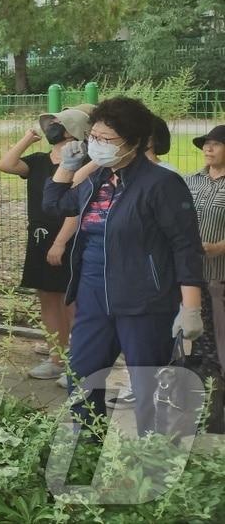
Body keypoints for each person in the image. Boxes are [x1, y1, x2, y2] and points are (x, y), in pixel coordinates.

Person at [44, 97, 205, 434]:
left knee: (148, 387)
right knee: (82, 380)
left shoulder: (160, 184)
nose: (97, 145)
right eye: (94, 137)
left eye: (107, 139)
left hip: (144, 301)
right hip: (93, 297)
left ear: (133, 142)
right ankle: (89, 448)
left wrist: (190, 306)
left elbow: (185, 245)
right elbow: (55, 204)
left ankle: (155, 456)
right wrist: (67, 167)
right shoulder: (96, 179)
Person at [0, 106, 91, 383]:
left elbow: (78, 209)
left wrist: (61, 242)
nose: (50, 127)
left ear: (71, 130)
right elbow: (6, 164)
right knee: (46, 298)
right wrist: (27, 138)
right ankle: (55, 357)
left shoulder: (82, 162)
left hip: (67, 239)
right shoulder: (39, 161)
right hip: (39, 238)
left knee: (69, 301)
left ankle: (78, 362)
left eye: (57, 124)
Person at [187, 125, 225, 429]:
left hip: (220, 279)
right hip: (192, 279)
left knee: (220, 347)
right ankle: (207, 412)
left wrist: (219, 247)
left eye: (216, 144)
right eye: (206, 144)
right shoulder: (191, 182)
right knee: (200, 346)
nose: (208, 149)